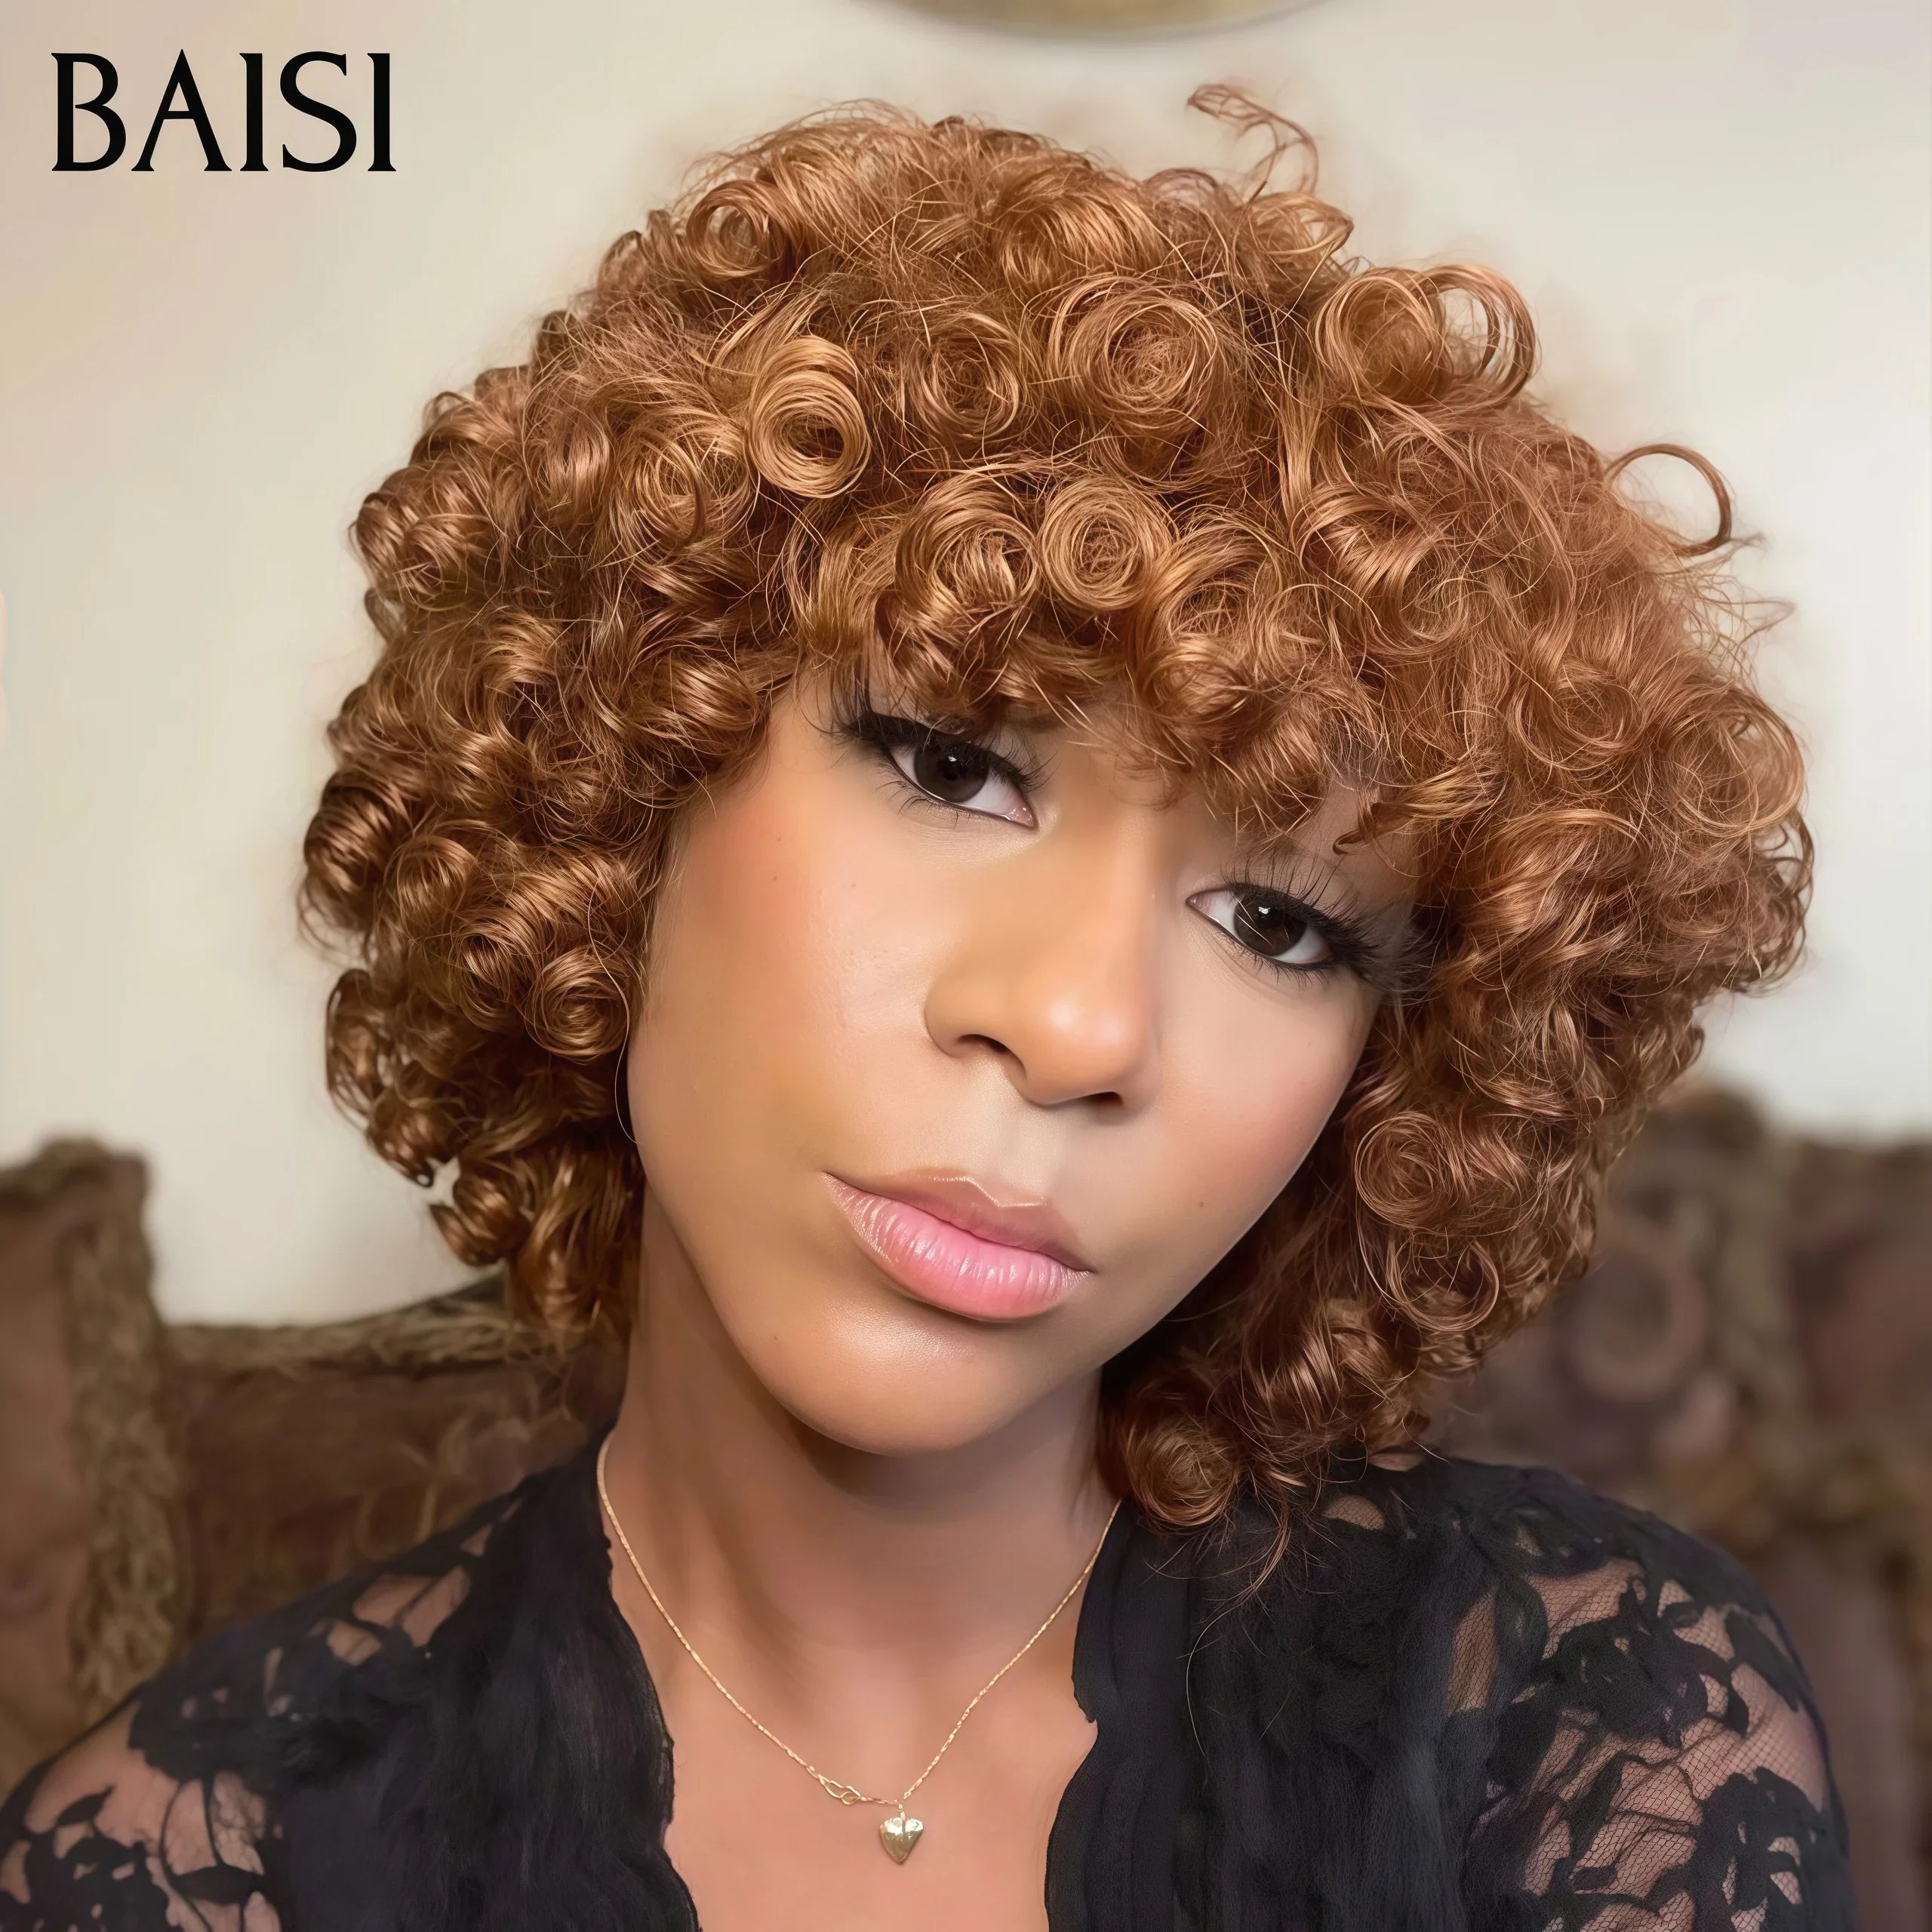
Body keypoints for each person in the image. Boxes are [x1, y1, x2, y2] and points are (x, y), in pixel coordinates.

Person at [0, 92, 1851, 1931]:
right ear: (620, 778)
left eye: (1278, 921)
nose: (1077, 1025)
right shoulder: (194, 1862)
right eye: (951, 763)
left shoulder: (1594, 1731)